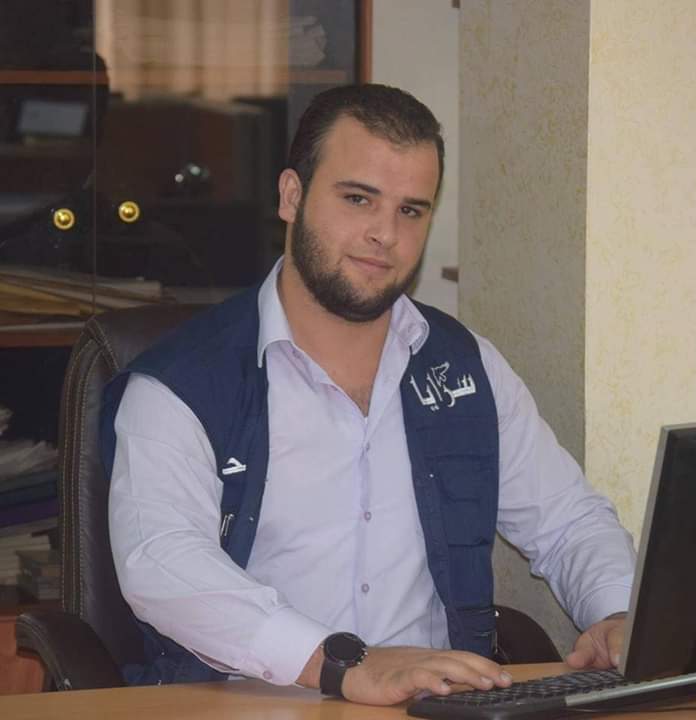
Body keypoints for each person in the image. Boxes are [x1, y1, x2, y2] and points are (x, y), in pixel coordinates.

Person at [102, 84, 636, 706]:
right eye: (358, 199)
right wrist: (342, 665)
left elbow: (568, 520)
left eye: (412, 210)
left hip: (438, 710)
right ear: (291, 195)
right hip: (245, 706)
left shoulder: (464, 368)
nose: (385, 233)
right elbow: (163, 565)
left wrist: (619, 615)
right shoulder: (180, 383)